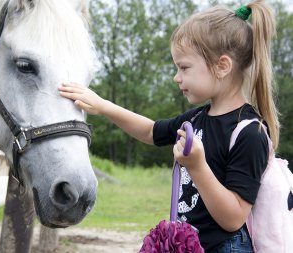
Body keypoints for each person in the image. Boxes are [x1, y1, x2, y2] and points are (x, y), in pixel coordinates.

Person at [58, 0, 278, 252]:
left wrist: (197, 166)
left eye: (184, 67)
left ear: (222, 66)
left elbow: (233, 218)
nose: (177, 77)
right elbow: (152, 132)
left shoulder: (250, 132)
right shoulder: (195, 119)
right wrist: (103, 105)